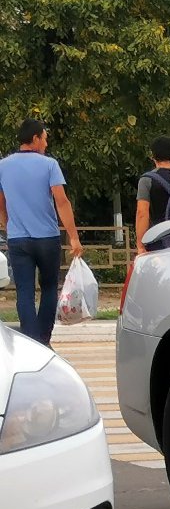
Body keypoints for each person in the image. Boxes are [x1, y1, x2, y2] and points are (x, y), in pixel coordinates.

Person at [0, 118, 84, 346]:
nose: (46, 143)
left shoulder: (3, 166)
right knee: (49, 288)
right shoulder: (49, 165)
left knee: (24, 292)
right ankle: (44, 341)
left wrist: (8, 225)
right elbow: (62, 202)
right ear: (35, 138)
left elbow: (1, 202)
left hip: (18, 239)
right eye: (44, 138)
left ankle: (31, 342)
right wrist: (74, 237)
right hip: (47, 238)